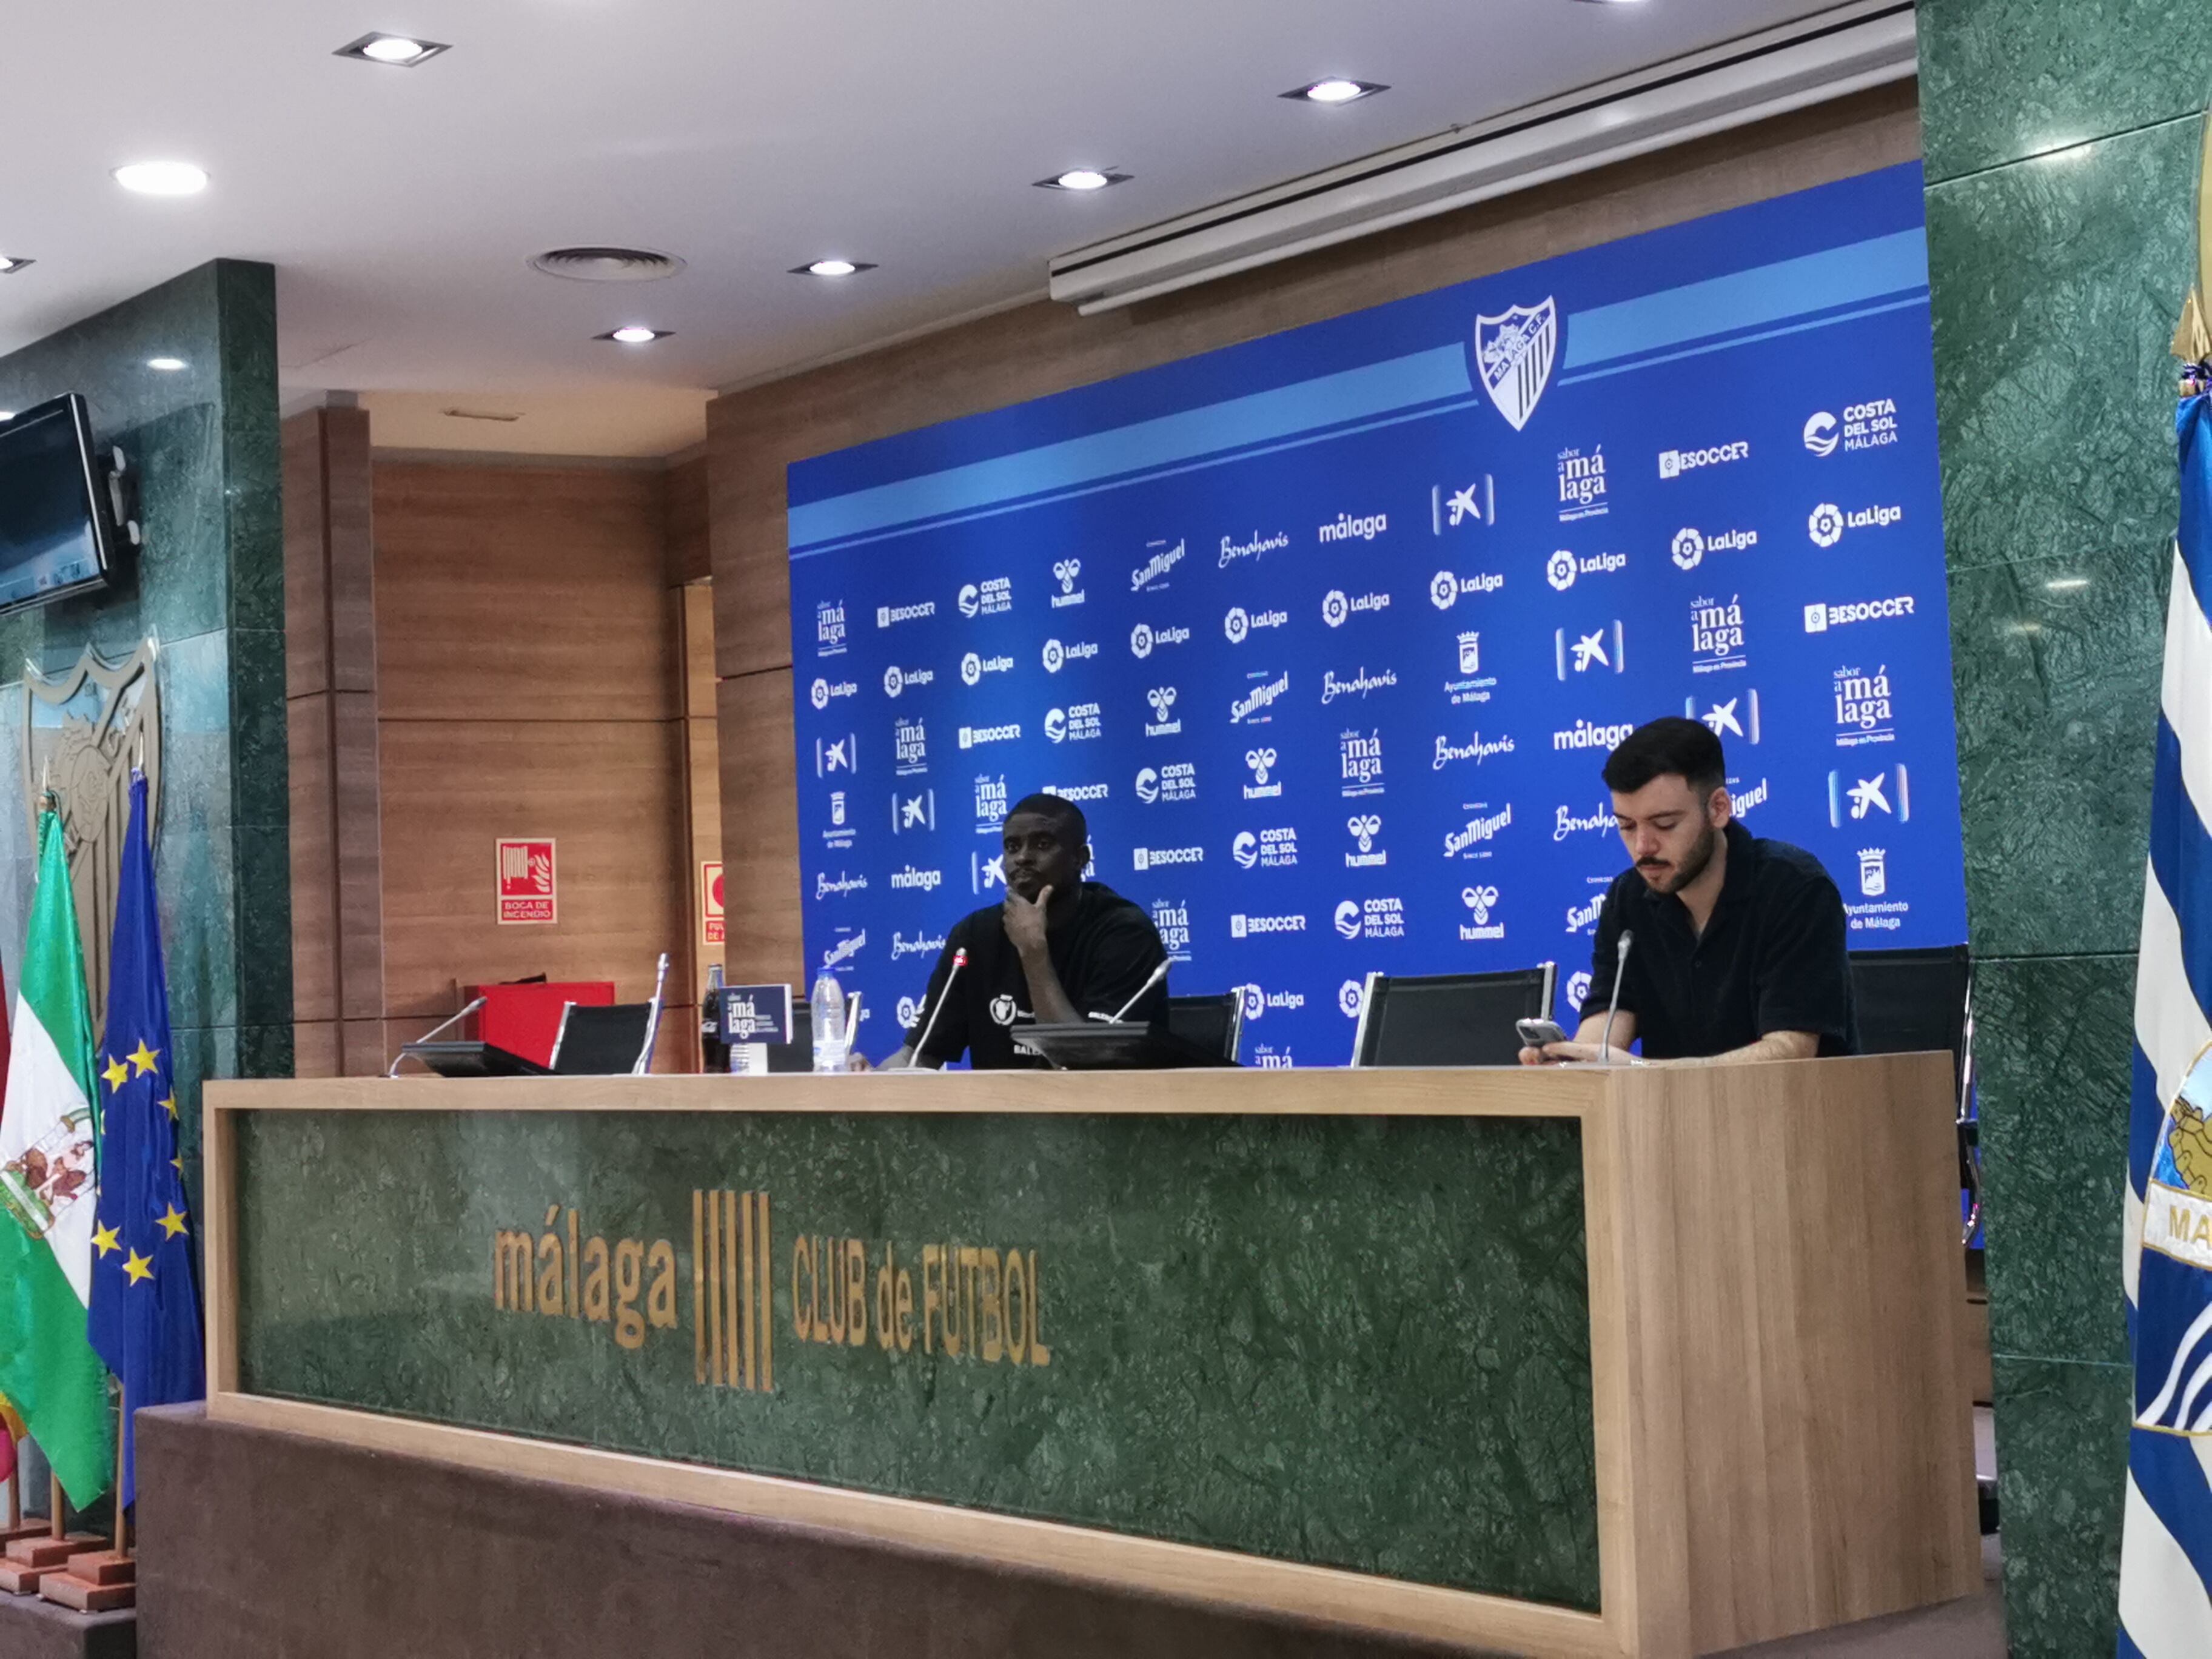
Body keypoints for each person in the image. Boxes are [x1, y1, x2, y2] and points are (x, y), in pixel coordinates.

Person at [1522, 716, 1856, 1066]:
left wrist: (1646, 1071)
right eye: (1626, 826)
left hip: (1790, 1113)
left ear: (1718, 809)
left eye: (1665, 824)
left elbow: (1791, 1050)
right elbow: (1612, 1015)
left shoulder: (1794, 888)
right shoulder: (1628, 897)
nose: (1643, 846)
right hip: (1668, 1114)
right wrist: (1573, 1060)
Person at [873, 793, 1168, 1069]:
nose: (1023, 858)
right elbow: (919, 1055)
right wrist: (865, 1081)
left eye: (1042, 844)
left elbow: (1082, 1067)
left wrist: (1033, 951)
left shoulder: (1125, 933)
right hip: (997, 1120)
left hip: (1103, 1121)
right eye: (1012, 847)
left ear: (1080, 858)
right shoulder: (973, 937)